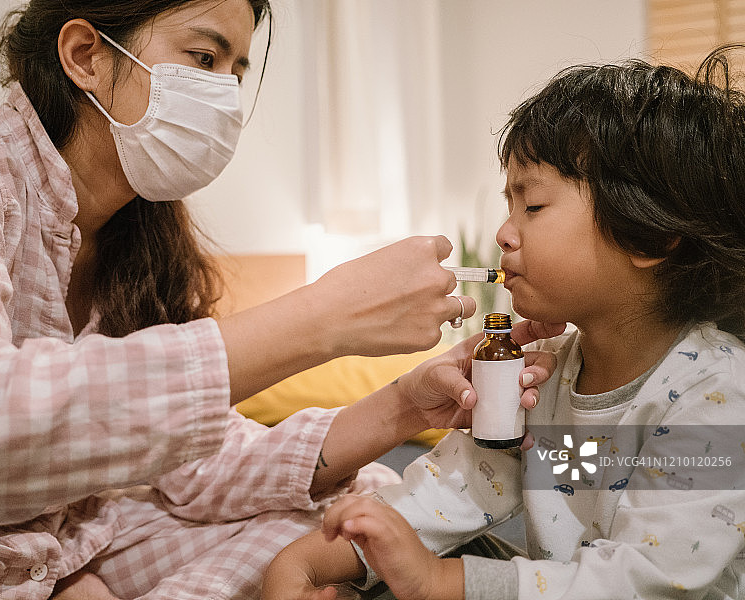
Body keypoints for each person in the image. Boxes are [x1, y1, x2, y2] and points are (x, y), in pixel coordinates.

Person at [0, 1, 566, 598]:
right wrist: (323, 317)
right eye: (203, 59)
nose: (505, 233)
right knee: (365, 518)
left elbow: (639, 535)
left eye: (236, 73)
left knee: (365, 503)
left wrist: (404, 406)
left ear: (654, 240)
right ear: (85, 55)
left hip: (83, 540)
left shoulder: (138, 241)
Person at [261, 45, 745, 600]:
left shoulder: (717, 391)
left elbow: (645, 583)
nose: (504, 233)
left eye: (531, 206)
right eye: (508, 206)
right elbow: (449, 491)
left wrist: (437, 581)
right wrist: (299, 565)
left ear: (648, 235)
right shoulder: (543, 377)